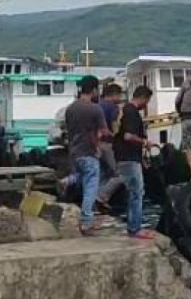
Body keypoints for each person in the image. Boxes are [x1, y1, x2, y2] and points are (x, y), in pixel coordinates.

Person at [112, 86, 157, 239]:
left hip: (125, 157)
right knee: (137, 193)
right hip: (129, 158)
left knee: (132, 192)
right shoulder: (132, 112)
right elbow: (128, 136)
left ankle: (133, 226)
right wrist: (145, 142)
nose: (147, 105)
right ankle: (135, 228)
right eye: (147, 101)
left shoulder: (125, 109)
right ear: (143, 98)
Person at [64, 75, 107, 234]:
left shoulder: (70, 108)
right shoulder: (95, 109)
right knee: (91, 188)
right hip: (89, 151)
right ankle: (86, 223)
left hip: (74, 152)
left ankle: (68, 180)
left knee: (83, 176)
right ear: (94, 90)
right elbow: (102, 132)